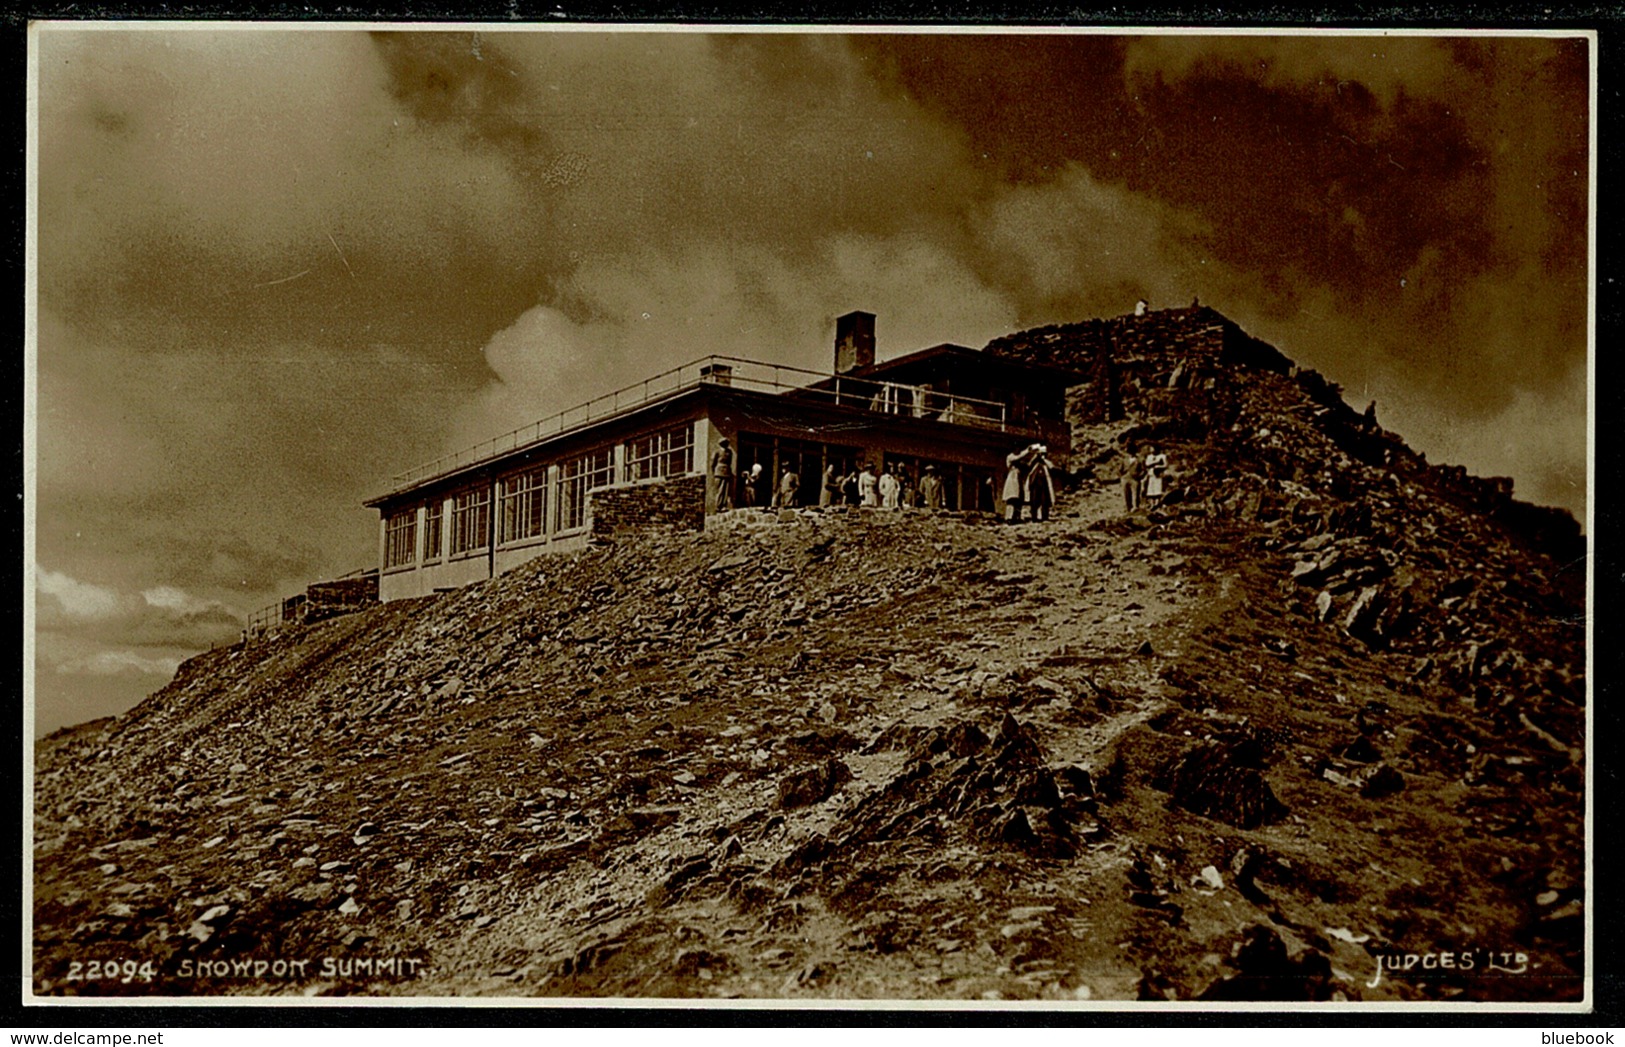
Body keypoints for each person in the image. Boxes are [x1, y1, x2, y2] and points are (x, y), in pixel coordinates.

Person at [1003, 445, 1035, 523]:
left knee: (1018, 500)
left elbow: (1028, 466)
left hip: (1018, 481)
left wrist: (1034, 457)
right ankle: (1009, 518)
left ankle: (1016, 517)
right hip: (1012, 480)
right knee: (1012, 499)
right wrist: (1027, 450)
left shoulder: (1019, 462)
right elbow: (1017, 458)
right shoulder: (1010, 457)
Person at [1025, 445, 1056, 522]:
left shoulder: (1046, 464)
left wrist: (1043, 459)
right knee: (1034, 501)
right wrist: (1035, 457)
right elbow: (1028, 465)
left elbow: (1051, 466)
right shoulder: (1034, 464)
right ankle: (1034, 517)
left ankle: (1044, 516)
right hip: (1035, 484)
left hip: (1044, 485)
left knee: (1044, 501)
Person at [709, 437, 737, 512]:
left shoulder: (729, 452)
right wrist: (714, 472)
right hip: (719, 472)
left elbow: (730, 462)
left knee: (726, 490)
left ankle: (724, 505)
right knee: (720, 490)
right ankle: (718, 505)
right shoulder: (717, 451)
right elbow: (712, 463)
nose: (726, 444)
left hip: (727, 472)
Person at [1122, 446, 1144, 513]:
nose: (1130, 454)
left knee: (1135, 493)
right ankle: (1128, 507)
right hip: (1125, 478)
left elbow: (1144, 470)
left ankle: (1135, 507)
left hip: (1135, 479)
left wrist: (1139, 476)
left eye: (1132, 452)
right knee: (1126, 494)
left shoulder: (1139, 460)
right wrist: (1122, 476)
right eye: (1129, 452)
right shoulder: (1125, 459)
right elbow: (1120, 468)